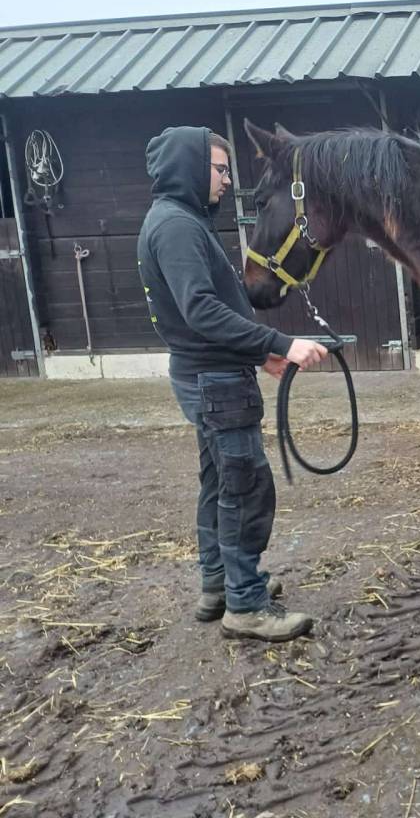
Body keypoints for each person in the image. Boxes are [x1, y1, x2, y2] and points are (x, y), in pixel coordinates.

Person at [137, 126, 327, 642]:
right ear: (191, 166)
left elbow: (205, 311)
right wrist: (281, 342)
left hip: (209, 373)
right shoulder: (178, 227)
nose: (226, 180)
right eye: (220, 169)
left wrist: (259, 352)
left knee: (220, 483)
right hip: (216, 383)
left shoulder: (177, 220)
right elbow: (200, 309)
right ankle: (245, 604)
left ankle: (219, 584)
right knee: (245, 488)